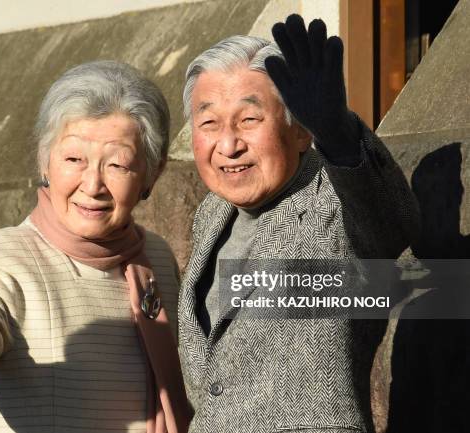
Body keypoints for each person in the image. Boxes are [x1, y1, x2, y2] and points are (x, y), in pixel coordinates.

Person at [0, 60, 191, 433]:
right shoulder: (7, 259)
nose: (92, 185)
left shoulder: (156, 256)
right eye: (73, 159)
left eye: (118, 165)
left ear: (152, 173)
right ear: (45, 160)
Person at [177, 15, 420, 433]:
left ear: (301, 132)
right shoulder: (212, 215)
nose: (229, 144)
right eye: (209, 123)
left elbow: (390, 226)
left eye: (249, 120)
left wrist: (338, 134)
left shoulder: (332, 202)